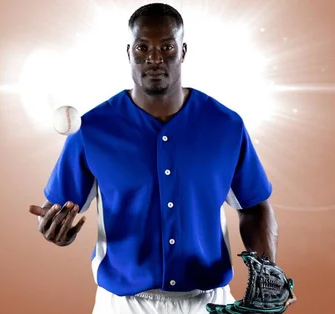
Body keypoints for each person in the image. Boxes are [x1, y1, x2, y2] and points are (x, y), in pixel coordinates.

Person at [28, 3, 294, 314]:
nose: (154, 58)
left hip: (208, 301)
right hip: (123, 305)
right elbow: (56, 210)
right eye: (143, 47)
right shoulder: (92, 129)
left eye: (166, 47)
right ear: (129, 52)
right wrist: (50, 228)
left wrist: (268, 270)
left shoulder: (225, 125)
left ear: (183, 50)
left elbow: (253, 206)